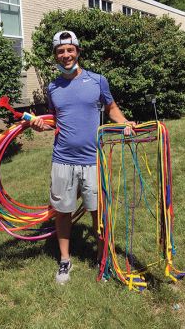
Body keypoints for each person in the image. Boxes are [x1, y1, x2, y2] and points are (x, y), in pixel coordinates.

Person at [31, 31, 135, 284]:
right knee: (62, 211)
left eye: (69, 50)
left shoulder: (97, 81)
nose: (65, 55)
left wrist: (125, 123)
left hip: (92, 160)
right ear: (55, 56)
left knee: (98, 212)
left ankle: (103, 260)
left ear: (78, 51)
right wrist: (40, 124)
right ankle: (65, 261)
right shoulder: (53, 86)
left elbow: (111, 109)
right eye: (60, 51)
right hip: (63, 158)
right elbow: (57, 118)